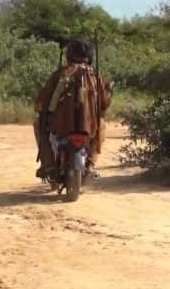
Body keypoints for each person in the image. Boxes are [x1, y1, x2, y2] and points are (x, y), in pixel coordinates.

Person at [33, 39, 113, 183]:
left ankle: (49, 164)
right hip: (89, 128)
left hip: (60, 126)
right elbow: (104, 104)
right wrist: (108, 92)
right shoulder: (96, 76)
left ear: (69, 54)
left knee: (39, 124)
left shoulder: (60, 74)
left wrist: (43, 110)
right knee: (102, 124)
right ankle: (91, 165)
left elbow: (42, 101)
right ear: (90, 56)